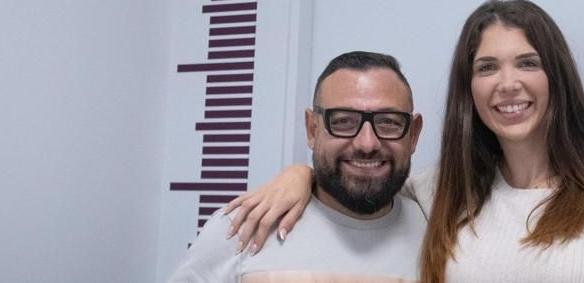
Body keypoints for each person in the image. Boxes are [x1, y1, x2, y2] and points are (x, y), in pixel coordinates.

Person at [226, 0, 584, 282]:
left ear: (556, 77)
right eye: (487, 68)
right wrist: (300, 173)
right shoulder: (440, 189)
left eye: (527, 63)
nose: (507, 83)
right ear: (470, 89)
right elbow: (360, 172)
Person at [168, 50, 426, 282]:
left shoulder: (438, 234)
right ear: (312, 129)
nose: (367, 143)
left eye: (389, 122)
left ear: (413, 134)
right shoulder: (244, 226)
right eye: (344, 121)